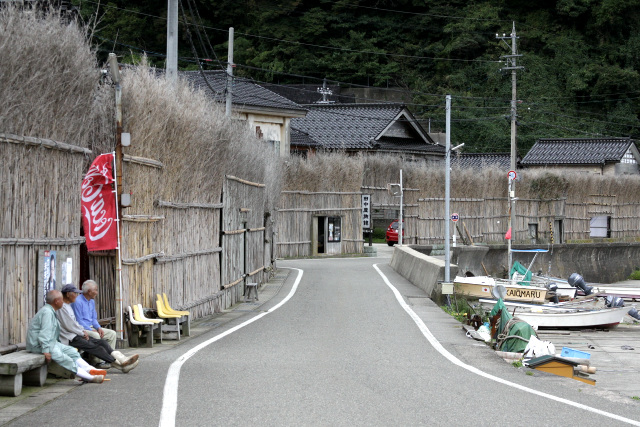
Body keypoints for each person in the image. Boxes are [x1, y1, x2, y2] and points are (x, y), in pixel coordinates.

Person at [27, 290, 105, 384]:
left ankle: (88, 369)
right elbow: (45, 333)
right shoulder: (47, 312)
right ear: (56, 301)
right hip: (39, 345)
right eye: (61, 300)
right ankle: (89, 377)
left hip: (51, 343)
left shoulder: (51, 311)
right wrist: (46, 350)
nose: (63, 302)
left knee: (71, 351)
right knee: (65, 358)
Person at [58, 285, 139, 373]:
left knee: (102, 342)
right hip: (69, 337)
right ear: (68, 294)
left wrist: (85, 330)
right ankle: (120, 364)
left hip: (76, 333)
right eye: (74, 293)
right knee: (96, 347)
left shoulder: (68, 306)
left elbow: (75, 323)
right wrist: (83, 332)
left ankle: (122, 360)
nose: (76, 296)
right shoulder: (62, 307)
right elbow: (69, 325)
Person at [72, 280, 117, 349]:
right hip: (82, 328)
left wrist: (98, 327)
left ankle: (111, 357)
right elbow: (78, 320)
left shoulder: (92, 301)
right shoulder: (77, 302)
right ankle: (96, 359)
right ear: (89, 291)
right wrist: (90, 329)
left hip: (91, 327)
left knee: (112, 334)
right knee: (96, 335)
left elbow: (93, 318)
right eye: (95, 290)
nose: (97, 292)